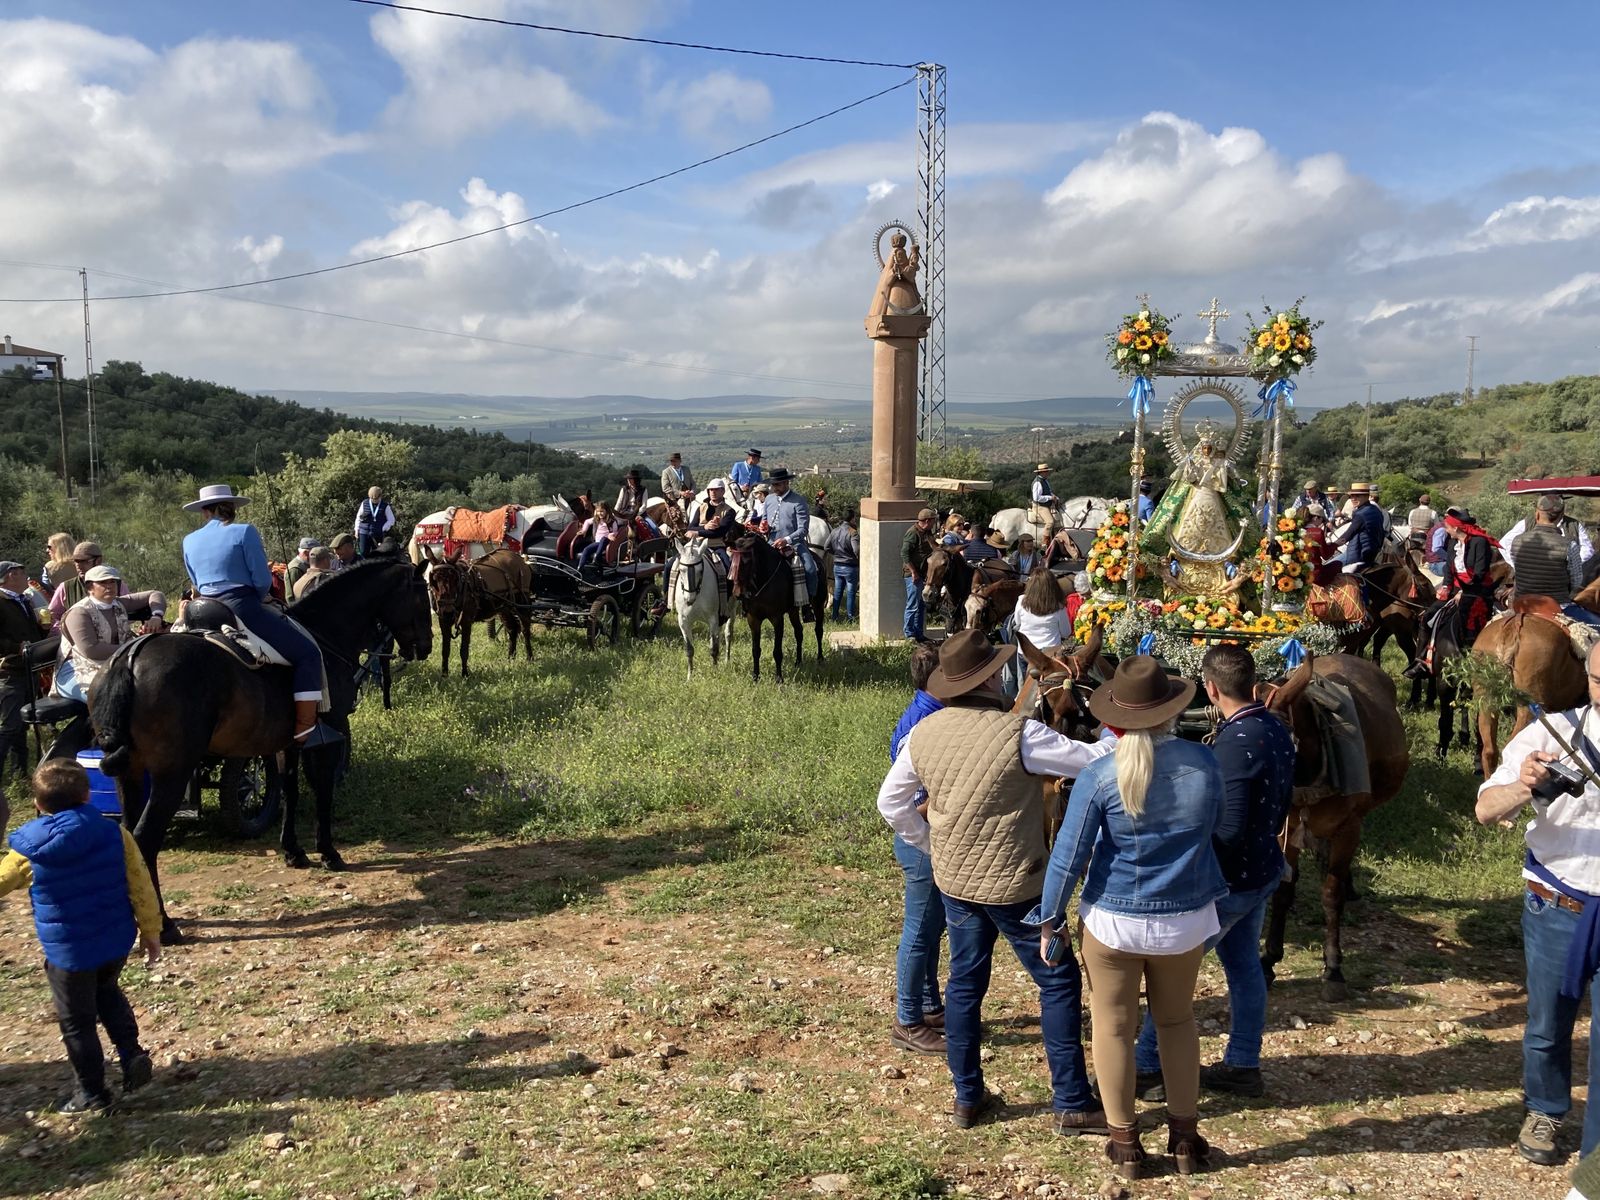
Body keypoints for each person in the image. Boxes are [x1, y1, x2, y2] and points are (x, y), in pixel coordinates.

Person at [877, 630, 1116, 1133]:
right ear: (990, 678)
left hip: (957, 883)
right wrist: (1118, 726)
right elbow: (1095, 762)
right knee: (1057, 981)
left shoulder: (924, 733)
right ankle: (1071, 1099)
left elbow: (891, 803)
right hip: (1018, 886)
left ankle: (967, 1097)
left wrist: (929, 843)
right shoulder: (1021, 735)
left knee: (965, 983)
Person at [1033, 656, 1226, 1179]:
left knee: (1113, 1030)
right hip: (1185, 919)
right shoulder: (1205, 765)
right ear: (1170, 711)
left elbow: (1069, 856)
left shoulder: (1099, 775)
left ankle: (1124, 1144)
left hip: (1113, 921)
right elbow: (1217, 828)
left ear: (1116, 716)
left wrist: (1049, 919)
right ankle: (1186, 1138)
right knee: (1178, 1022)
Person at [1132, 645, 1295, 1101]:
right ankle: (1243, 1062)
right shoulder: (1274, 727)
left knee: (1173, 972)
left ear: (1210, 688)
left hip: (1231, 880)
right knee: (1244, 966)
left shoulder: (1234, 745)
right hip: (1263, 866)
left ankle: (1146, 1068)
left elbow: (1229, 828)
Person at [1476, 642, 1600, 1166]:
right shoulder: (1549, 733)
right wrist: (1525, 784)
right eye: (1598, 678)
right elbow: (1485, 809)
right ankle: (1546, 1108)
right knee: (1547, 1026)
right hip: (1559, 903)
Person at [0, 760, 161, 1113]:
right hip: (115, 942)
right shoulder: (115, 834)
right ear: (88, 794)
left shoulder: (29, 850)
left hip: (68, 953)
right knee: (107, 992)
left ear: (38, 804)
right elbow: (140, 881)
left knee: (77, 1022)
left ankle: (91, 1092)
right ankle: (131, 1053)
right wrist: (151, 930)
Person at [181, 483, 334, 744]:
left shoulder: (189, 540)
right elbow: (262, 580)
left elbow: (195, 581)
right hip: (240, 607)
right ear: (229, 508)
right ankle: (304, 729)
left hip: (200, 612)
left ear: (205, 512)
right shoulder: (244, 532)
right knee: (308, 653)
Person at [886, 643, 946, 1054]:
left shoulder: (923, 713)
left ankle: (925, 1004)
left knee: (929, 927)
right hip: (921, 837)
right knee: (919, 932)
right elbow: (912, 796)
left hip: (920, 835)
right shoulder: (926, 725)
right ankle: (907, 1020)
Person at [48, 566, 167, 762]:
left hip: (112, 665)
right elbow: (91, 650)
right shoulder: (79, 613)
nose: (109, 586)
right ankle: (83, 750)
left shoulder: (117, 604)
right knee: (109, 697)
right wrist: (135, 646)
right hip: (75, 671)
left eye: (112, 582)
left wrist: (156, 616)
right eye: (103, 583)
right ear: (90, 587)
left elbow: (155, 594)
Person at [1408, 511, 1501, 678]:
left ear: (1456, 527)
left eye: (1448, 526)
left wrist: (1465, 592)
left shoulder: (1480, 543)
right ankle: (1421, 661)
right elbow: (1449, 570)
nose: (1446, 529)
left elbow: (1480, 572)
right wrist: (1445, 587)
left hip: (1477, 590)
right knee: (1427, 618)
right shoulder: (1452, 543)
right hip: (1456, 590)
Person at [1514, 495, 1596, 625]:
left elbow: (1517, 568)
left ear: (1537, 514)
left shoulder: (1517, 541)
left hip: (1522, 603)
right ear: (1560, 516)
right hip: (1558, 605)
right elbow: (1576, 581)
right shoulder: (1570, 545)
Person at [0, 560, 40, 791]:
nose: (27, 576)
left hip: (28, 669)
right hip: (9, 671)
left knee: (22, 724)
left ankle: (20, 772)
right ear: (11, 575)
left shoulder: (23, 599)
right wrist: (16, 647)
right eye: (23, 572)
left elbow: (29, 632)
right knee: (9, 726)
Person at [761, 467, 816, 616]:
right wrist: (763, 526)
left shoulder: (798, 501)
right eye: (773, 485)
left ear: (786, 483)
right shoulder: (768, 499)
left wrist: (786, 540)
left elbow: (803, 529)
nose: (774, 488)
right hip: (770, 543)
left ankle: (808, 605)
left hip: (794, 544)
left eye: (777, 484)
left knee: (810, 569)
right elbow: (764, 520)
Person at [48, 542, 126, 629]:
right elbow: (52, 617)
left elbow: (129, 609)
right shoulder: (65, 588)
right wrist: (68, 630)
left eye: (84, 561)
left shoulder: (116, 584)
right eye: (75, 561)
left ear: (98, 561)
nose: (78, 565)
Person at [1503, 497, 1595, 568]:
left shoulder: (1574, 524)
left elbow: (1587, 550)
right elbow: (1505, 544)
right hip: (1530, 579)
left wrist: (1571, 565)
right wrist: (1517, 565)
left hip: (1564, 579)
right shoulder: (1528, 522)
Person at [1013, 570, 1074, 665]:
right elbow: (1066, 633)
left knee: (1022, 680)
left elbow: (1017, 623)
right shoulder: (1059, 607)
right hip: (1050, 653)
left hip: (1026, 652)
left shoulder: (1021, 601)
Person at [1326, 482, 1385, 571]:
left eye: (1357, 496)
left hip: (1357, 554)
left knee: (1326, 568)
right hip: (1374, 554)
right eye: (1351, 496)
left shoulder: (1360, 514)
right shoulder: (1376, 510)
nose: (1353, 499)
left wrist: (1331, 546)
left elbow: (1347, 535)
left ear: (1366, 496)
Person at [685, 479, 737, 574]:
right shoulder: (701, 507)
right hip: (696, 545)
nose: (713, 492)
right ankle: (667, 589)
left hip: (716, 546)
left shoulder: (729, 511)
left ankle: (728, 589)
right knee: (670, 565)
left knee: (728, 568)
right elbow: (690, 528)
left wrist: (697, 532)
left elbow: (720, 532)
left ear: (723, 491)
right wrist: (705, 527)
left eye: (716, 490)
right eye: (710, 490)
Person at [902, 508, 937, 644]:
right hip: (913, 576)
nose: (934, 523)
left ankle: (919, 634)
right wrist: (913, 572)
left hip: (924, 574)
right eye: (933, 520)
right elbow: (904, 554)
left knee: (921, 604)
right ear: (927, 521)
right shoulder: (912, 533)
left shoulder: (927, 533)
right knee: (913, 604)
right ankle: (909, 634)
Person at [828, 511, 860, 621]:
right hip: (850, 567)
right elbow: (856, 550)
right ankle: (850, 617)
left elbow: (826, 547)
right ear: (851, 519)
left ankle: (834, 616)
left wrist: (836, 554)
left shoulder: (834, 531)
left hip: (837, 566)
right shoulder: (853, 532)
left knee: (837, 592)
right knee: (851, 593)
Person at [353, 486, 396, 558]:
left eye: (376, 499)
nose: (374, 500)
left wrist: (383, 528)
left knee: (377, 554)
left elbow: (391, 520)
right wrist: (356, 529)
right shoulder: (364, 503)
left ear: (380, 496)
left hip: (377, 533)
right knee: (363, 553)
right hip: (364, 532)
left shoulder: (385, 506)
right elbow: (358, 517)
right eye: (372, 499)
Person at [577, 502, 623, 570]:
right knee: (586, 549)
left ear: (606, 511)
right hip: (597, 543)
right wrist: (584, 530)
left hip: (607, 542)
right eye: (598, 511)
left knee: (604, 539)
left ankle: (597, 558)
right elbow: (587, 521)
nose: (599, 513)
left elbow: (615, 532)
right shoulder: (596, 519)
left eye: (601, 511)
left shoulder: (612, 521)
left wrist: (611, 535)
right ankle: (580, 568)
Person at [1030, 463, 1057, 530]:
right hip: (1040, 506)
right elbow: (1036, 498)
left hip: (1045, 504)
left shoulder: (1045, 481)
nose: (1048, 473)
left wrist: (1055, 497)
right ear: (1042, 472)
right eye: (1047, 471)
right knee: (1050, 522)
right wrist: (1050, 498)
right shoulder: (1037, 482)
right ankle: (1046, 540)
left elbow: (1049, 491)